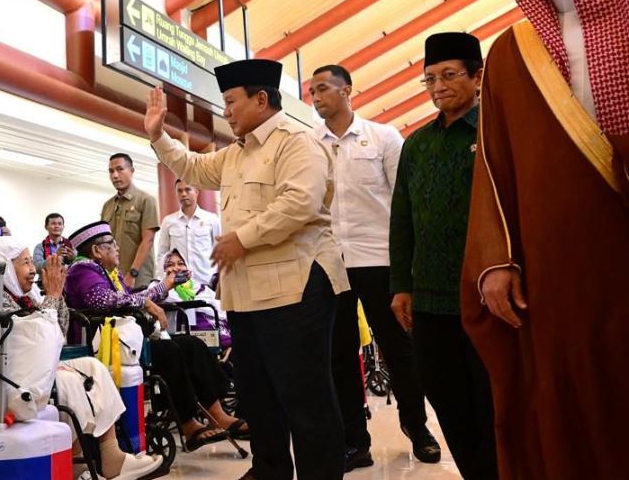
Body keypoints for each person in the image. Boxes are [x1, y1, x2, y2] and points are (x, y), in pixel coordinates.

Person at [462, 0, 629, 480]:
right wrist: (495, 261)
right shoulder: (512, 52)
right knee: (565, 398)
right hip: (551, 273)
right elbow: (493, 165)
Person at [146, 58, 349, 480]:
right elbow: (193, 167)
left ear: (261, 99)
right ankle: (270, 470)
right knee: (257, 394)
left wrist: (243, 237)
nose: (226, 111)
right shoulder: (237, 153)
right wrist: (158, 136)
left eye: (231, 101)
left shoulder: (296, 141)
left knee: (305, 397)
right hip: (247, 294)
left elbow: (301, 202)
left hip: (296, 287)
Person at [309, 64, 440, 469]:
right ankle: (354, 441)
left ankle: (417, 427)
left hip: (380, 259)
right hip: (331, 262)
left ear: (346, 90)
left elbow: (406, 202)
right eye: (312, 92)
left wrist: (409, 266)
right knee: (339, 353)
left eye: (323, 88)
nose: (316, 97)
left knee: (399, 348)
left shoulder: (383, 137)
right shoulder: (308, 143)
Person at [0, 237, 162, 480]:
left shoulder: (21, 294)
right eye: (25, 263)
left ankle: (111, 454)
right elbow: (28, 339)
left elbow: (58, 331)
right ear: (3, 264)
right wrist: (53, 296)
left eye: (31, 262)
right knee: (68, 380)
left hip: (22, 368)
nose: (33, 270)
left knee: (92, 366)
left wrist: (54, 294)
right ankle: (77, 465)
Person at [389, 33, 496, 480]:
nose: (438, 87)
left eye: (449, 75)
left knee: (490, 400)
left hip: (486, 296)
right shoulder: (416, 145)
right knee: (443, 394)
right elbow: (402, 218)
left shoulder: (495, 130)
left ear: (478, 76)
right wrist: (401, 285)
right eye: (430, 78)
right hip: (430, 300)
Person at [65, 221, 243, 452]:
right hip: (105, 345)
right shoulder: (82, 270)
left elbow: (133, 297)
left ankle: (217, 414)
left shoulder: (109, 273)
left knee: (192, 344)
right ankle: (188, 424)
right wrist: (146, 302)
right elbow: (103, 300)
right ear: (97, 250)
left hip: (127, 340)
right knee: (169, 351)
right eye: (112, 243)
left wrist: (167, 285)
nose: (118, 248)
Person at [102, 153, 158, 289]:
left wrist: (132, 274)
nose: (115, 175)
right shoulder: (107, 206)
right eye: (111, 171)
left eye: (120, 169)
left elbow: (148, 240)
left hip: (138, 278)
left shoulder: (145, 200)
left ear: (131, 171)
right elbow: (103, 242)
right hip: (112, 278)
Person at [154, 179, 220, 288]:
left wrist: (217, 278)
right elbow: (162, 253)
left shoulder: (211, 219)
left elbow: (219, 251)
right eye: (179, 191)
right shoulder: (168, 221)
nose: (183, 194)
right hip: (178, 284)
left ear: (196, 192)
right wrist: (163, 279)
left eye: (187, 190)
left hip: (206, 282)